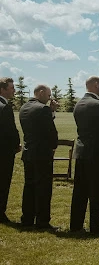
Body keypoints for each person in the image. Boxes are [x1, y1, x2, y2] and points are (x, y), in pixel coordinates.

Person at [70, 76, 99, 234]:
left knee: (80, 191)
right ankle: (96, 226)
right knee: (96, 192)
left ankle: (75, 224)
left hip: (81, 151)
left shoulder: (79, 104)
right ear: (96, 85)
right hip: (96, 153)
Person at [19, 84, 58, 229]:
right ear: (41, 93)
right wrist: (53, 145)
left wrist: (51, 111)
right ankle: (42, 220)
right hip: (42, 154)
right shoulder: (43, 109)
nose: (49, 99)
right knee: (44, 188)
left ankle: (27, 218)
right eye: (48, 96)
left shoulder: (24, 108)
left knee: (29, 186)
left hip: (29, 152)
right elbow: (50, 131)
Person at [0, 77, 20, 224]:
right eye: (12, 88)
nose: (14, 90)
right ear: (3, 89)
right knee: (3, 181)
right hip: (4, 151)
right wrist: (15, 145)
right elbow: (9, 131)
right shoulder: (4, 107)